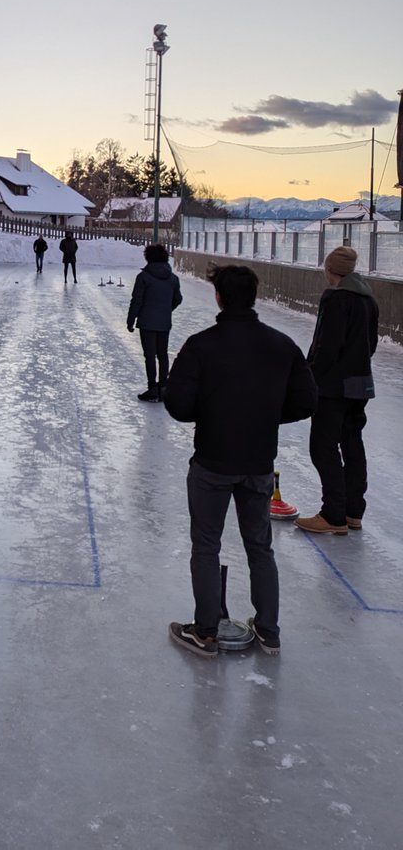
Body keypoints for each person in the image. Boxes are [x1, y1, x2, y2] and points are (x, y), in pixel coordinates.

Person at [164, 265, 317, 658]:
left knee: (206, 546)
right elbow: (305, 400)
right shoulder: (281, 345)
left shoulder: (201, 345)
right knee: (260, 546)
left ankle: (206, 632)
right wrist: (264, 414)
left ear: (219, 297)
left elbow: (178, 404)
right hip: (258, 462)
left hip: (213, 461)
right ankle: (268, 630)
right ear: (254, 296)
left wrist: (215, 411)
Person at [295, 246, 379, 535]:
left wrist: (310, 376)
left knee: (323, 446)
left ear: (330, 270)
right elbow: (372, 344)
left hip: (333, 387)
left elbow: (326, 346)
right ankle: (353, 511)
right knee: (352, 442)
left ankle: (333, 513)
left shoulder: (336, 299)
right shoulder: (369, 300)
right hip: (360, 383)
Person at [126, 243, 183, 402]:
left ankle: (152, 388)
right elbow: (178, 299)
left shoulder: (143, 277)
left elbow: (136, 301)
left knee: (150, 355)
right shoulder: (173, 278)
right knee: (162, 354)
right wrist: (167, 309)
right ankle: (163, 387)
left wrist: (131, 320)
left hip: (146, 323)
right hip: (164, 323)